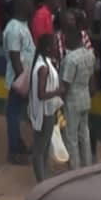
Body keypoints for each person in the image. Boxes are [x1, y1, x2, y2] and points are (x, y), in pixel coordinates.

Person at [3, 0, 35, 165]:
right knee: (14, 115)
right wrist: (23, 81)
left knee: (18, 113)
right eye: (29, 5)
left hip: (25, 76)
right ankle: (14, 150)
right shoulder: (14, 28)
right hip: (19, 79)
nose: (32, 7)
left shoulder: (23, 25)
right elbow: (15, 58)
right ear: (21, 7)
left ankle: (19, 144)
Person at [29, 34, 64, 182]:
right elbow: (41, 94)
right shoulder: (43, 68)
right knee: (40, 148)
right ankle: (41, 180)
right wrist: (57, 92)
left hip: (48, 110)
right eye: (55, 44)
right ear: (48, 48)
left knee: (44, 146)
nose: (58, 47)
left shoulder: (46, 62)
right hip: (44, 113)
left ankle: (43, 177)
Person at [60, 28, 94, 169]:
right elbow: (91, 77)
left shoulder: (70, 59)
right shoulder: (90, 55)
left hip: (72, 100)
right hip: (85, 97)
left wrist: (59, 100)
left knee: (71, 136)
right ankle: (88, 165)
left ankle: (75, 168)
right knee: (85, 134)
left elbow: (66, 84)